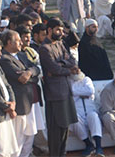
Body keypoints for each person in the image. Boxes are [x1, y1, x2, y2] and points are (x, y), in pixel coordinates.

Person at [39, 18, 79, 157]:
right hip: (55, 94)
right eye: (58, 30)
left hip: (66, 90)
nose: (61, 33)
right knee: (56, 130)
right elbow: (53, 69)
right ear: (49, 30)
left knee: (65, 128)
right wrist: (68, 69)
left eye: (62, 30)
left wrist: (62, 64)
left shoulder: (61, 44)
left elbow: (71, 60)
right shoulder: (45, 48)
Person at [70, 75, 103, 157]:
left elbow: (90, 90)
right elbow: (70, 92)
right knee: (74, 119)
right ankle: (89, 144)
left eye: (77, 69)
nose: (76, 71)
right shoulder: (68, 81)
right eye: (73, 70)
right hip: (77, 111)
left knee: (94, 116)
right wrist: (82, 93)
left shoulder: (86, 79)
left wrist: (76, 93)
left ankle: (99, 147)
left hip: (90, 109)